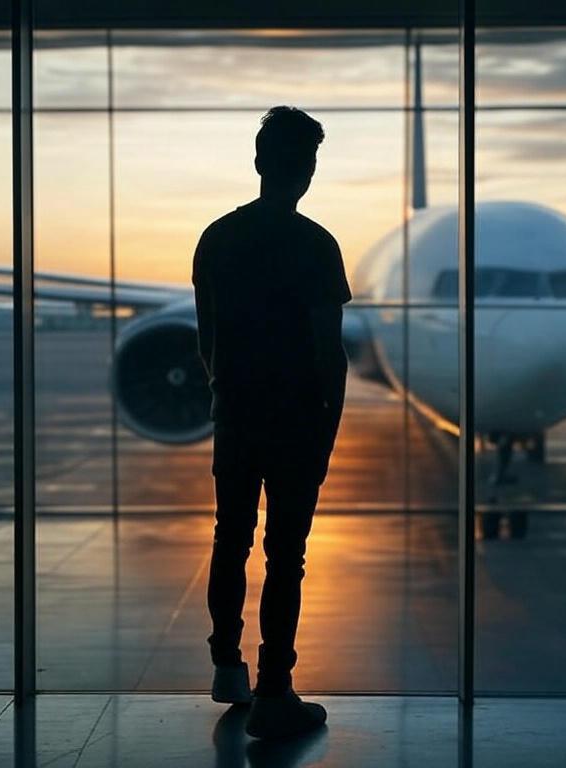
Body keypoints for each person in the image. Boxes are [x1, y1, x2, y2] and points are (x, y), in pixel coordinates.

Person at [192, 106, 351, 740]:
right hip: (295, 423)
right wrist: (326, 433)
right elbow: (329, 354)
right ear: (307, 169)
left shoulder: (216, 239)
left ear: (259, 161)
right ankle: (275, 691)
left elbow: (207, 340)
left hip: (235, 415)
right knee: (286, 557)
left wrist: (228, 394)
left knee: (230, 539)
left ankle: (227, 668)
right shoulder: (316, 246)